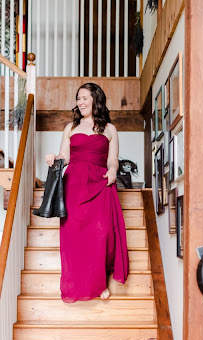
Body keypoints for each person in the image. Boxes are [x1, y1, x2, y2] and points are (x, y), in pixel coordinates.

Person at [44, 82, 129, 302]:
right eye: (78, 98)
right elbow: (65, 157)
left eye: (84, 98)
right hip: (74, 184)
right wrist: (55, 159)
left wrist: (112, 170)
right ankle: (81, 283)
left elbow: (113, 159)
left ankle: (100, 282)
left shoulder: (110, 129)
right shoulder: (70, 128)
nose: (80, 102)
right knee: (75, 235)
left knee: (102, 233)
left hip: (100, 183)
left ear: (95, 100)